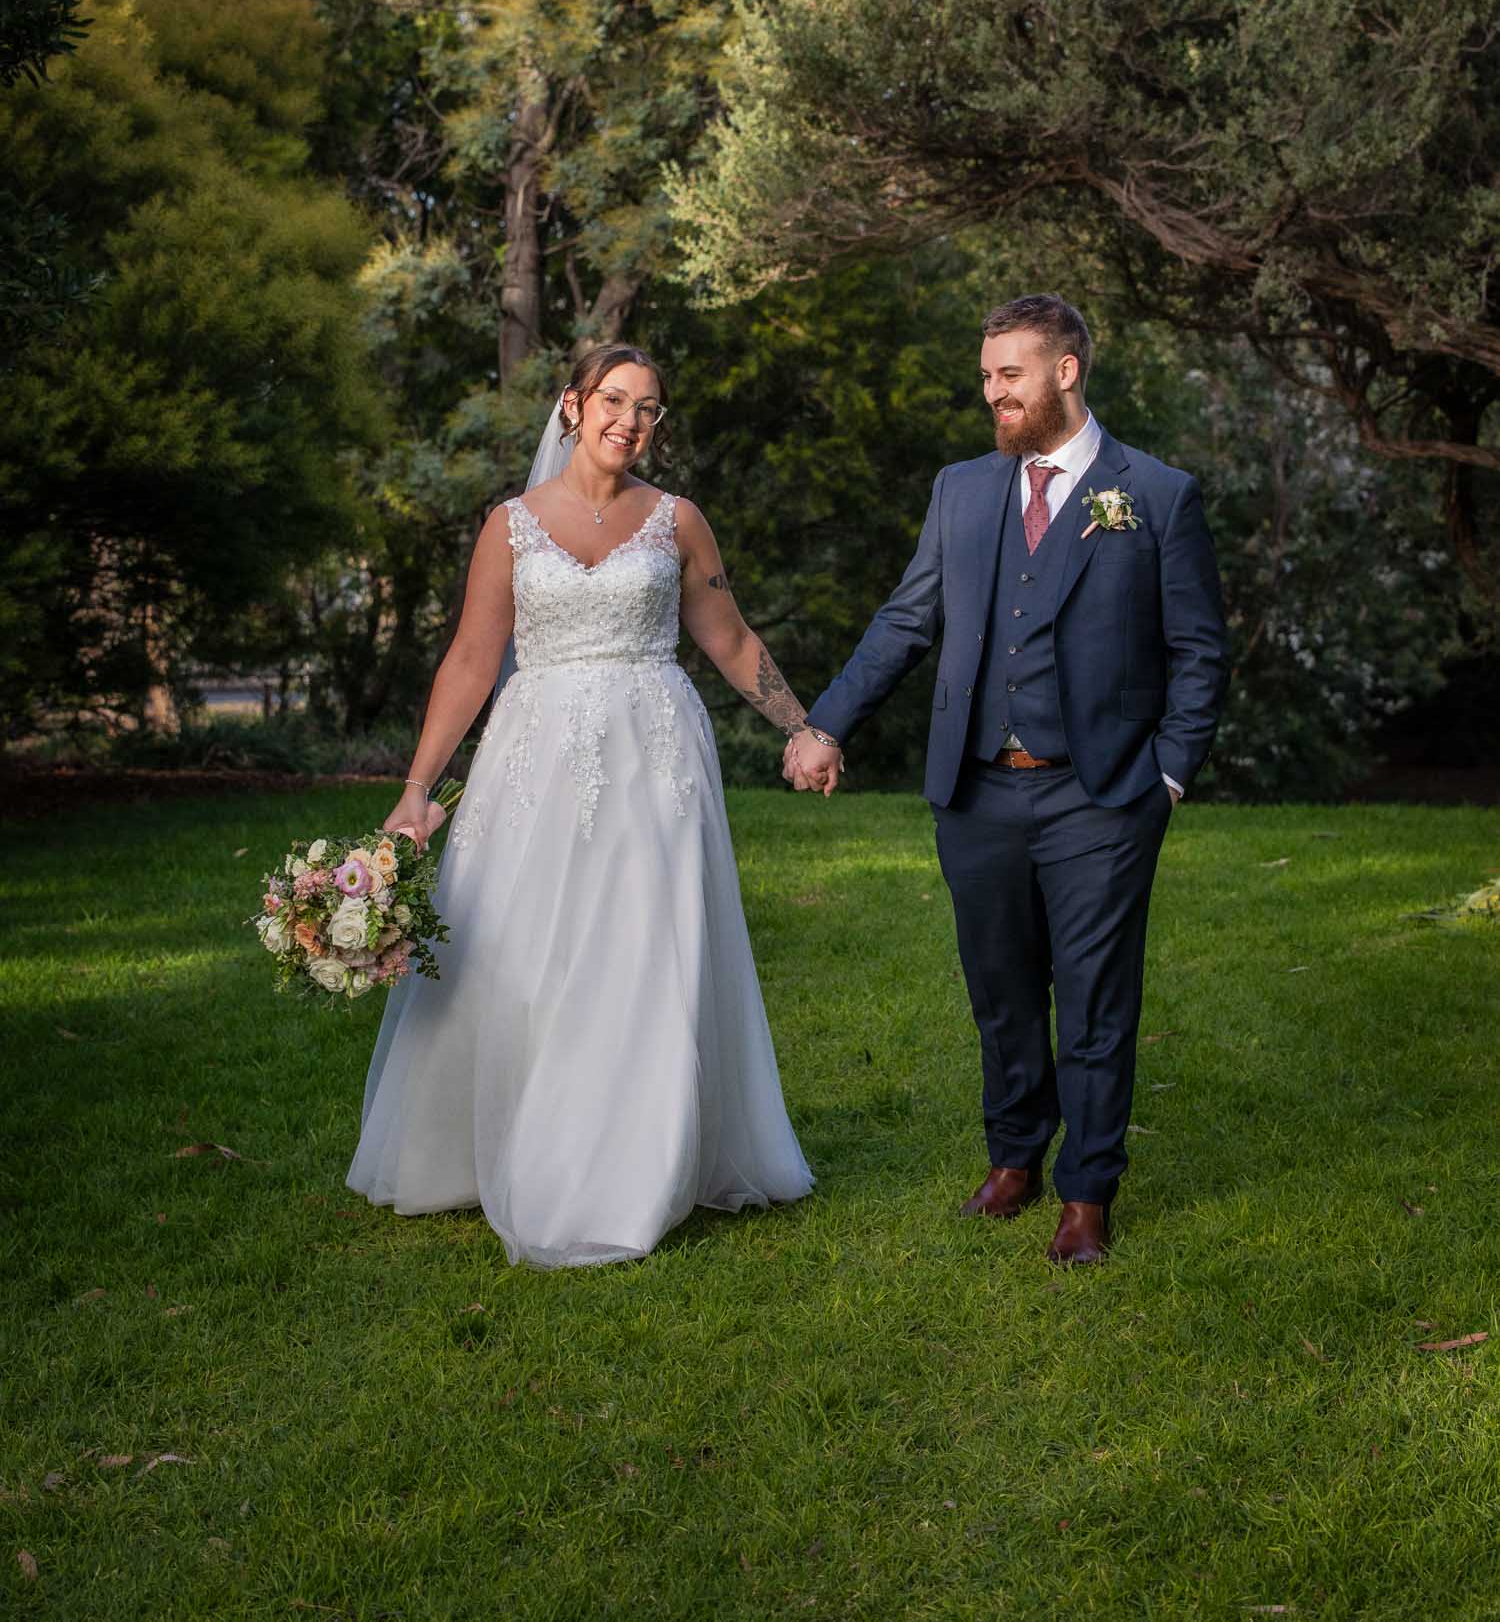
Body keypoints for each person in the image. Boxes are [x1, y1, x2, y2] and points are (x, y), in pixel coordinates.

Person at [347, 343, 814, 1267]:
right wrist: (416, 789)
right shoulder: (511, 525)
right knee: (519, 950)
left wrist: (803, 727)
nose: (629, 421)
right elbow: (472, 659)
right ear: (572, 405)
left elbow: (728, 639)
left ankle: (636, 1159)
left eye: (648, 408)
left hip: (654, 760)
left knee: (644, 947)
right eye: (613, 400)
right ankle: (503, 1137)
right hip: (536, 761)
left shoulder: (678, 521)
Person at [785, 295, 1228, 1264]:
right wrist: (826, 723)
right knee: (1001, 991)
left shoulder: (1155, 494)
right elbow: (907, 621)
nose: (993, 392)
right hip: (977, 789)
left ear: (1066, 371)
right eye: (987, 376)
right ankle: (1015, 1158)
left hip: (1102, 795)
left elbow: (1198, 650)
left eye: (1010, 374)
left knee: (1097, 999)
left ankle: (1088, 1192)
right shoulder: (962, 489)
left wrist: (1169, 776)